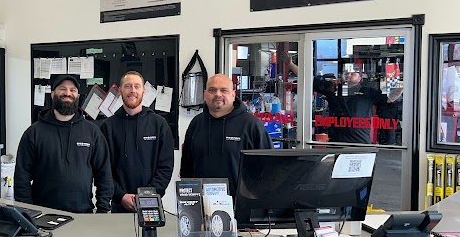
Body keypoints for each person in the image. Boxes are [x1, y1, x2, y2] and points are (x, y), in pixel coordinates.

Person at [15, 74, 113, 213]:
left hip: (83, 214)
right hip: (42, 215)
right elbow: (21, 178)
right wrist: (27, 212)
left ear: (78, 96)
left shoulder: (93, 132)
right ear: (52, 94)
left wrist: (102, 210)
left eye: (72, 90)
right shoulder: (33, 133)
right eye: (62, 88)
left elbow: (104, 175)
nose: (68, 93)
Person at [180, 74, 273, 195]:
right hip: (201, 202)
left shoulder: (251, 125)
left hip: (240, 204)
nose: (218, 94)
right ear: (205, 95)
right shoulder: (196, 124)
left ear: (233, 95)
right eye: (212, 90)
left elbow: (269, 169)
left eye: (224, 90)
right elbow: (186, 168)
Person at [100, 71, 174, 213]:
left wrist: (148, 196)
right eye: (128, 86)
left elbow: (165, 167)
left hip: (151, 203)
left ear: (143, 91)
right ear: (120, 91)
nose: (132, 90)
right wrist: (121, 195)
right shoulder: (107, 127)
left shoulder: (159, 124)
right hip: (119, 205)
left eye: (137, 86)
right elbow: (103, 169)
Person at [285, 56, 403, 144]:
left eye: (353, 73)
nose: (349, 75)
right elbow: (308, 79)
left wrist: (403, 84)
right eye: (346, 73)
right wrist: (290, 64)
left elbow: (389, 98)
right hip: (337, 142)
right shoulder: (332, 88)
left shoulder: (368, 92)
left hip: (361, 143)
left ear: (360, 78)